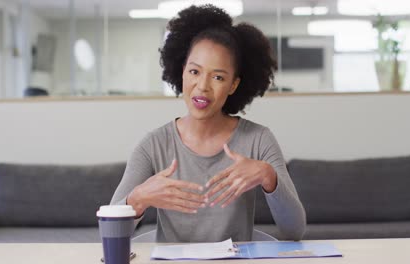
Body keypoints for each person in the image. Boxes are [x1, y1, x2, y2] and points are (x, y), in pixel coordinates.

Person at [111, 4, 306, 243]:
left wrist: (268, 176)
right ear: (182, 71)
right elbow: (109, 234)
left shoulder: (258, 139)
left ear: (233, 85)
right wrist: (138, 199)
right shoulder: (153, 145)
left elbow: (295, 230)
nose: (202, 86)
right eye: (194, 72)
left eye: (218, 77)